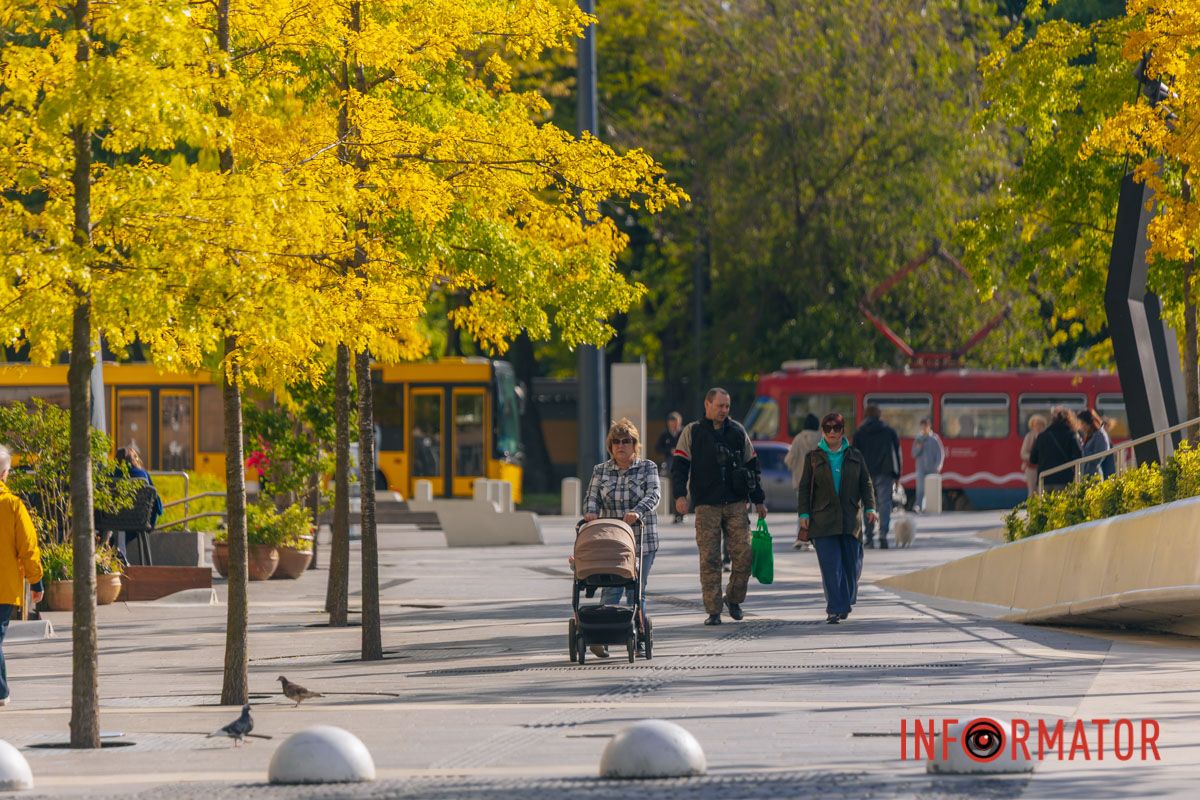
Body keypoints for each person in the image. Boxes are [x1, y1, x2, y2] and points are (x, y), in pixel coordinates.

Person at [671, 387, 767, 626]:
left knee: (744, 556)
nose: (724, 410)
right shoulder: (692, 432)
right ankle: (713, 610)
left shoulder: (737, 431)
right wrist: (680, 496)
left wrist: (759, 500)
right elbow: (680, 466)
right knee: (710, 559)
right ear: (707, 404)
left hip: (736, 503)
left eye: (727, 406)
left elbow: (753, 466)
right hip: (706, 505)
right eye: (719, 405)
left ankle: (733, 599)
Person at [583, 419, 661, 658]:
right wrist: (590, 510)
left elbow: (654, 494)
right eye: (616, 442)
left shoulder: (648, 467)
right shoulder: (601, 470)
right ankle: (602, 636)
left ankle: (637, 637)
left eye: (626, 441)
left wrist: (637, 511)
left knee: (636, 591)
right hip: (612, 542)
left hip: (641, 540)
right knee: (611, 588)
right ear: (610, 446)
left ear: (635, 444)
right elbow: (592, 496)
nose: (620, 446)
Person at [796, 413, 877, 624]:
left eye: (837, 428)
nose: (832, 432)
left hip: (850, 519)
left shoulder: (855, 455)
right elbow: (804, 488)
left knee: (852, 565)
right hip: (823, 520)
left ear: (843, 431)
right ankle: (835, 607)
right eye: (828, 428)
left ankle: (845, 599)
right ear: (823, 431)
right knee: (831, 566)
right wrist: (804, 514)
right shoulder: (813, 457)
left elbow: (866, 483)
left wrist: (870, 507)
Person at [1, 444, 45, 707]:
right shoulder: (13, 506)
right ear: (5, 473)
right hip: (3, 587)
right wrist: (36, 580)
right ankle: (1, 691)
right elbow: (28, 548)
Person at [852, 404, 901, 549]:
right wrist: (897, 475)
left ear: (866, 415)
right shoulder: (889, 431)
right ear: (879, 415)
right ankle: (883, 534)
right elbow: (896, 454)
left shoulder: (859, 432)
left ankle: (869, 537)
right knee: (885, 503)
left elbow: (854, 456)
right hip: (885, 473)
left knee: (868, 504)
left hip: (865, 473)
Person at [785, 413, 822, 550]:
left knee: (803, 510)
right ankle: (815, 539)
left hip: (801, 481)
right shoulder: (821, 439)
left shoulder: (798, 439)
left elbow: (789, 459)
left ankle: (802, 538)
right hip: (819, 480)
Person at [1030, 406, 1083, 492]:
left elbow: (1032, 459)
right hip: (1064, 480)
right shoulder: (1071, 435)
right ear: (1069, 419)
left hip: (1044, 480)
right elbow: (1079, 456)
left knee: (1044, 505)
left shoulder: (1042, 436)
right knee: (1062, 505)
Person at [116, 447, 163, 528]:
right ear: (133, 460)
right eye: (136, 457)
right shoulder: (142, 474)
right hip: (139, 520)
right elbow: (155, 500)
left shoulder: (110, 474)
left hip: (112, 520)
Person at [655, 412, 685, 523]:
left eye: (675, 424)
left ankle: (682, 512)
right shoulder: (665, 435)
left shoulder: (684, 433)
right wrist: (669, 450)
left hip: (684, 465)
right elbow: (658, 448)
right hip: (671, 466)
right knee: (673, 490)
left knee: (684, 490)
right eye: (671, 424)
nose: (673, 426)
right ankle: (676, 513)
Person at [910, 418, 944, 512]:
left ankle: (930, 507)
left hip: (932, 468)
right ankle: (918, 506)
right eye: (922, 427)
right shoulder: (918, 439)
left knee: (931, 489)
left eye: (925, 426)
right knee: (920, 488)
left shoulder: (934, 439)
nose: (924, 429)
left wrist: (938, 466)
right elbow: (913, 454)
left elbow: (940, 453)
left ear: (929, 427)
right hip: (921, 468)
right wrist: (919, 447)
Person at [1078, 409, 1115, 479]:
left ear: (1088, 423)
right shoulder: (1091, 435)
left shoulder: (1099, 435)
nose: (1081, 427)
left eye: (1082, 423)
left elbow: (1099, 456)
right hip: (1088, 474)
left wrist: (1083, 452)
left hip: (1094, 476)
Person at [1020, 414, 1048, 498]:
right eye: (1036, 425)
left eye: (1040, 425)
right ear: (1032, 426)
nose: (1038, 427)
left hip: (1043, 467)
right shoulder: (1029, 437)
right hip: (1031, 468)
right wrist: (1033, 457)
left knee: (1042, 490)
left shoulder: (1046, 436)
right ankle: (1031, 508)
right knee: (1032, 490)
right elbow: (1023, 453)